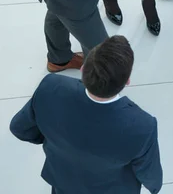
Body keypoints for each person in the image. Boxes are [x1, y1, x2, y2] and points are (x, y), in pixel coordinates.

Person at [10, 36, 163, 194]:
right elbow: (151, 176)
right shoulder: (143, 126)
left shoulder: (50, 88)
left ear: (83, 69)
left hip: (63, 182)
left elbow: (19, 128)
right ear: (127, 81)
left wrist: (56, 139)